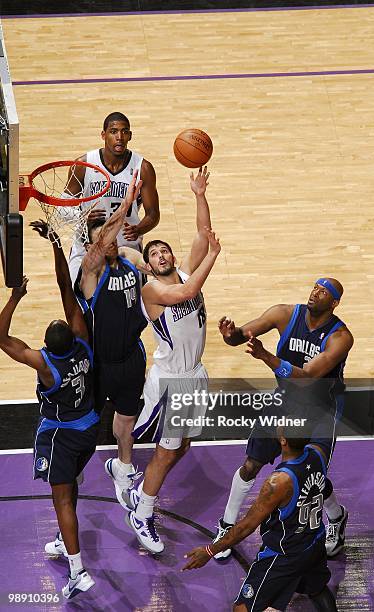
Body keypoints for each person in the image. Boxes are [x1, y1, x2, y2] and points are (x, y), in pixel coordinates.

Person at [213, 279, 354, 560]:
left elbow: (308, 377)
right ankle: (227, 526)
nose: (315, 292)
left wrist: (266, 356)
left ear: (335, 303)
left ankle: (336, 518)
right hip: (284, 402)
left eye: (324, 291)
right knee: (250, 465)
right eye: (315, 286)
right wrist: (231, 335)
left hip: (319, 412)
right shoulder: (285, 314)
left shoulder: (341, 337)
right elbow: (243, 334)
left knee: (311, 478)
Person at [0, 224, 98, 600]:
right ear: (71, 336)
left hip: (62, 434)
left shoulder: (45, 365)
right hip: (90, 429)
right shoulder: (84, 343)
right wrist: (57, 243)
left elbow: (2, 337)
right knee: (70, 486)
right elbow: (65, 288)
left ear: (46, 345)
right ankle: (63, 538)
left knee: (60, 499)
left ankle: (78, 571)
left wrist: (15, 297)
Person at [126, 167, 220, 554]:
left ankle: (140, 491)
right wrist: (212, 258)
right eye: (154, 252)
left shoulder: (182, 272)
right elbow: (187, 292)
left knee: (181, 449)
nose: (161, 254)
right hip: (172, 381)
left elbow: (202, 236)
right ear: (148, 264)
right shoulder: (153, 290)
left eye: (165, 250)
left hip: (195, 375)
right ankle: (142, 511)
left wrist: (199, 194)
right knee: (167, 452)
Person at [183, 427, 338, 612]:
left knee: (242, 608)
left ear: (283, 441)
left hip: (284, 554)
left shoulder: (278, 482)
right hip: (314, 543)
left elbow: (245, 527)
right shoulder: (319, 453)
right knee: (317, 589)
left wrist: (209, 550)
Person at [74, 170, 150, 510]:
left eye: (116, 235)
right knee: (88, 424)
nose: (114, 239)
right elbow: (104, 238)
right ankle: (73, 468)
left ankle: (124, 466)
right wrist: (128, 203)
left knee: (127, 420)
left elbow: (160, 274)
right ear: (93, 246)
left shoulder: (131, 262)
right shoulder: (90, 273)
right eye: (106, 237)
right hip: (101, 362)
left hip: (132, 357)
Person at [67, 111, 159, 283]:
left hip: (125, 247)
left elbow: (153, 214)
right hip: (87, 246)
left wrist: (139, 229)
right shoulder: (82, 166)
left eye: (124, 132)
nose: (119, 137)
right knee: (79, 305)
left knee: (130, 305)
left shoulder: (143, 168)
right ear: (103, 135)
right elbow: (61, 210)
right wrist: (82, 217)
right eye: (113, 131)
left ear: (130, 136)